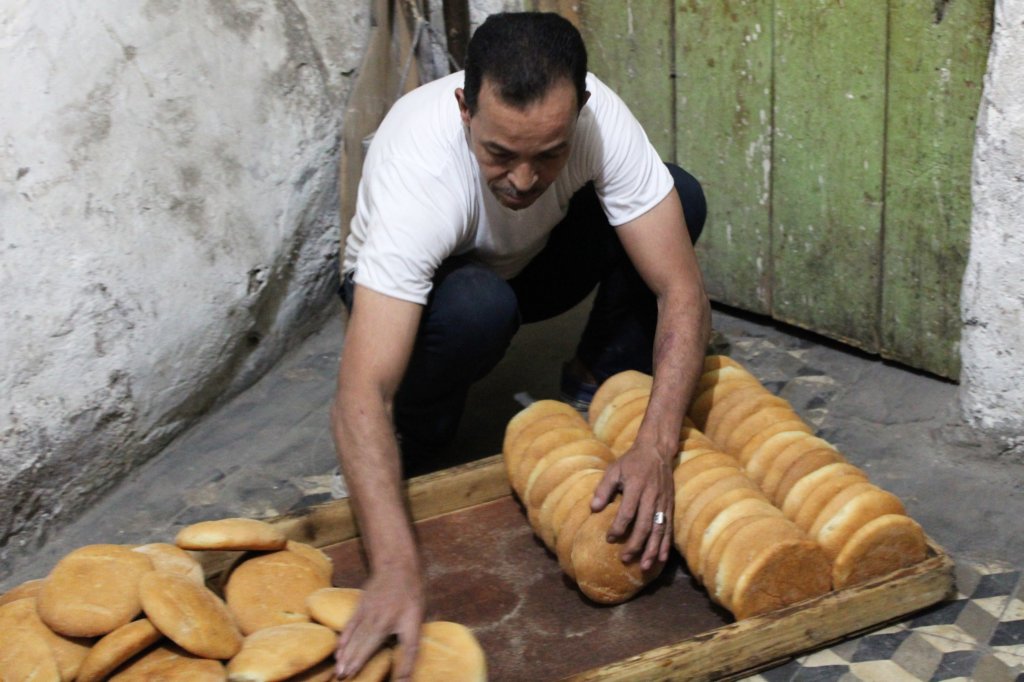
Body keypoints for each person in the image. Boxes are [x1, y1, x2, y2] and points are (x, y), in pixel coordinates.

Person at [330, 11, 709, 680]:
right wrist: (393, 566)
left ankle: (603, 388)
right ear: (464, 109)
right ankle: (422, 433)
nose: (526, 179)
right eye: (500, 153)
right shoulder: (419, 177)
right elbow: (360, 393)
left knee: (678, 196)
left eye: (550, 153)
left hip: (526, 261)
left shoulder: (599, 121)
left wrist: (654, 444)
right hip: (430, 299)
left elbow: (682, 292)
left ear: (581, 111)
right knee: (478, 310)